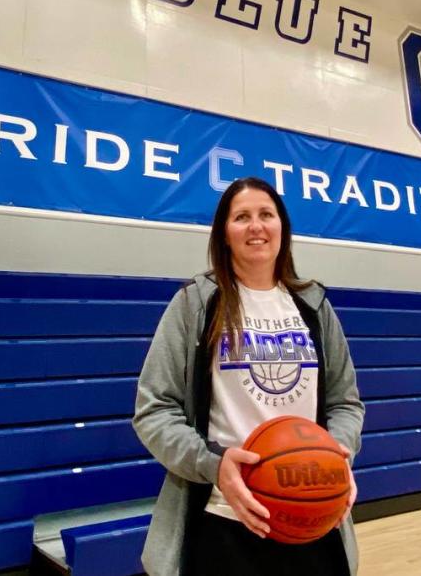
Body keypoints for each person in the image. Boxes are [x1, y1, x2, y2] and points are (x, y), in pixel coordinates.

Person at [133, 176, 364, 576]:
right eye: (241, 217)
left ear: (282, 228)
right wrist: (212, 463)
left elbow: (345, 403)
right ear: (224, 234)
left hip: (310, 514)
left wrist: (337, 456)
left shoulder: (314, 306)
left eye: (266, 215)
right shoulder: (195, 303)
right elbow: (153, 410)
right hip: (222, 517)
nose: (256, 226)